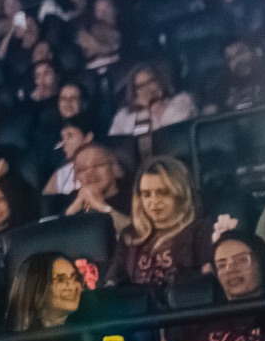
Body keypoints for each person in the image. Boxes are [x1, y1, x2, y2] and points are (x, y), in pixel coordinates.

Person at [111, 156, 212, 289]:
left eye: (162, 193)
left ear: (180, 193)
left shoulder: (201, 231)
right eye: (146, 194)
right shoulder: (130, 235)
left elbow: (207, 282)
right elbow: (113, 281)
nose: (154, 201)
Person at [108, 64, 196, 153]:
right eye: (140, 86)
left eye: (151, 81)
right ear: (134, 91)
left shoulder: (182, 100)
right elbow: (116, 145)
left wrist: (157, 110)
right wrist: (144, 112)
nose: (147, 88)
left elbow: (177, 135)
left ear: (160, 81)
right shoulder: (124, 115)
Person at [65, 143, 131, 236]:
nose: (89, 172)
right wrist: (73, 209)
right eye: (82, 169)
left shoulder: (135, 196)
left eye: (97, 164)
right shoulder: (68, 200)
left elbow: (138, 235)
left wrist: (102, 207)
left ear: (114, 167)